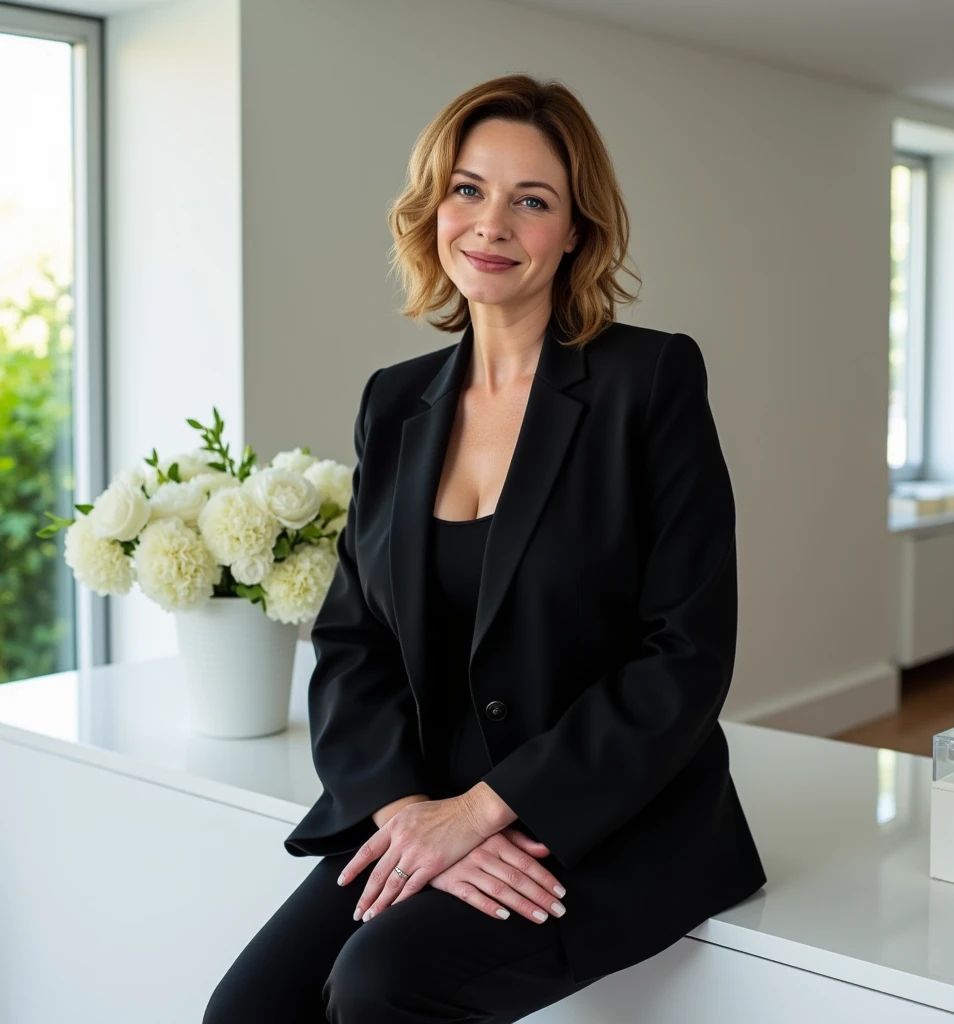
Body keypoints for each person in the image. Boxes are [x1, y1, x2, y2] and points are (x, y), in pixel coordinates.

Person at [204, 71, 766, 1023]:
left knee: (380, 988)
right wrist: (408, 813)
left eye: (531, 200)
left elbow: (686, 654)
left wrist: (488, 810)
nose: (491, 223)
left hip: (604, 818)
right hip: (424, 809)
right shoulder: (396, 400)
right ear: (432, 209)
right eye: (468, 188)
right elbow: (353, 644)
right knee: (246, 1011)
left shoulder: (651, 381)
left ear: (575, 231)